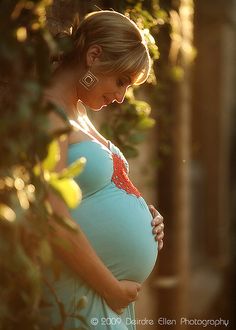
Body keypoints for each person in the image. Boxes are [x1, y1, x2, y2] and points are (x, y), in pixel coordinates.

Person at [43, 10, 164, 329]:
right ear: (94, 56)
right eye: (121, 80)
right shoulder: (49, 114)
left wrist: (147, 219)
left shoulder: (79, 113)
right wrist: (110, 288)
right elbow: (50, 215)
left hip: (106, 298)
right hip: (81, 294)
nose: (122, 97)